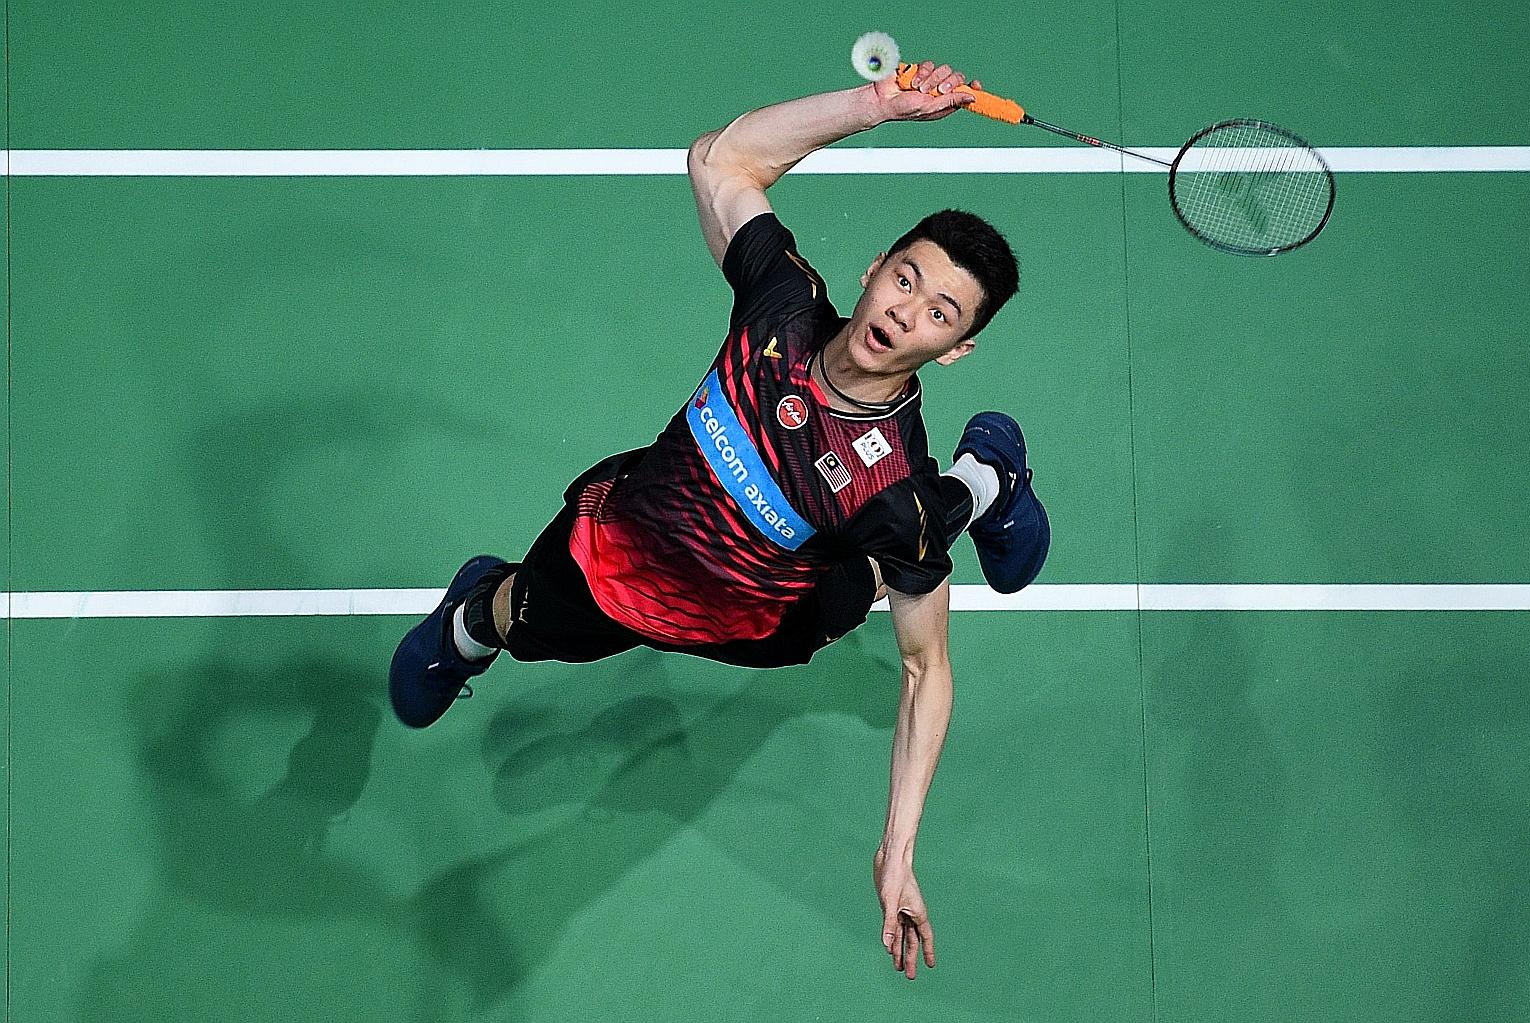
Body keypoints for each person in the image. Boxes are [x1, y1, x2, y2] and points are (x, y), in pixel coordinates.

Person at [389, 60, 1050, 981]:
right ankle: (466, 623)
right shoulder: (779, 306)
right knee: (515, 621)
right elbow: (721, 161)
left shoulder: (888, 490)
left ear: (957, 348)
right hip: (614, 555)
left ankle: (982, 480)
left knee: (891, 552)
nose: (906, 312)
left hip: (763, 617)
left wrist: (898, 847)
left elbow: (925, 668)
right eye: (906, 278)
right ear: (874, 268)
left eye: (940, 312)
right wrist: (876, 106)